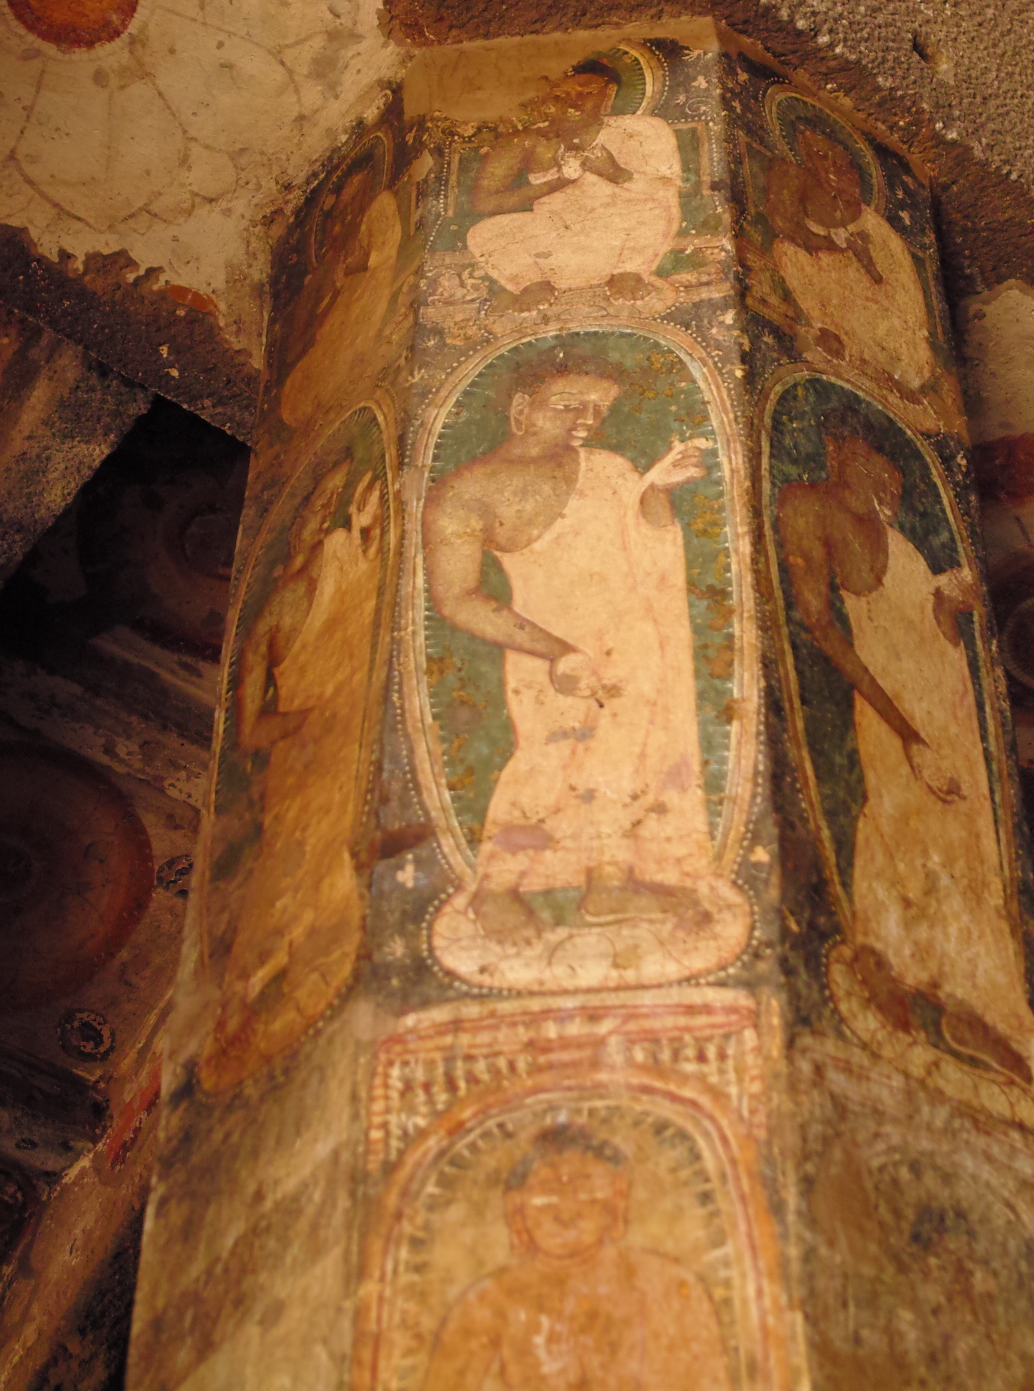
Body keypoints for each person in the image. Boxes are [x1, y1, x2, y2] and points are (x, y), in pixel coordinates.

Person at [775, 430, 1034, 1081]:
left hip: (948, 704)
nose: (889, 485)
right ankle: (897, 969)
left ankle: (963, 1002)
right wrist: (910, 735)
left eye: (892, 477)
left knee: (961, 843)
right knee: (903, 830)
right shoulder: (807, 504)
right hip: (899, 707)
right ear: (840, 452)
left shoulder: (893, 535)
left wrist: (948, 604)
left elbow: (931, 632)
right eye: (877, 469)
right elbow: (820, 624)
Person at [424, 357, 714, 943]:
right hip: (547, 647)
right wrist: (558, 652)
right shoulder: (463, 491)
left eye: (598, 409)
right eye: (568, 405)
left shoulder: (608, 468)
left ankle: (608, 883)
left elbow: (649, 541)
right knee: (547, 761)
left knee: (624, 758)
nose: (586, 419)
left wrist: (655, 491)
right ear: (521, 409)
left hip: (632, 636)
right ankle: (495, 890)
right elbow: (457, 598)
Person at [201, 458, 387, 1087]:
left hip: (350, 751)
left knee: (333, 884)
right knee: (289, 882)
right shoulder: (278, 615)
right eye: (325, 509)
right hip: (307, 769)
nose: (330, 521)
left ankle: (291, 1000)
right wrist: (316, 713)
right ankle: (241, 1014)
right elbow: (250, 732)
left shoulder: (359, 561)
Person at [422, 1124, 730, 1391]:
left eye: (585, 1189)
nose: (566, 1213)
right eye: (547, 1192)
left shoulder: (667, 1287)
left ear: (617, 1198)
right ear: (517, 1208)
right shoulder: (487, 1303)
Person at [463, 71, 684, 307]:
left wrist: (615, 173)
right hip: (557, 243)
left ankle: (630, 272)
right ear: (543, 101)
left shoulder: (642, 129)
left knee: (653, 210)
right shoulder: (530, 139)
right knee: (484, 232)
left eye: (587, 93)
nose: (572, 104)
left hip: (620, 239)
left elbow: (667, 193)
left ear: (608, 95)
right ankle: (532, 282)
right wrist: (561, 180)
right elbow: (483, 203)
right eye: (559, 95)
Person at [762, 128, 943, 409]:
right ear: (806, 158)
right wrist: (825, 329)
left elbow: (908, 301)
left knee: (909, 359)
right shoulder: (791, 238)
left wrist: (868, 265)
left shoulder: (874, 229)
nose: (831, 168)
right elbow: (809, 295)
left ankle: (891, 374)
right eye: (820, 156)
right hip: (838, 334)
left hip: (888, 326)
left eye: (840, 162)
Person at [277, 151, 406, 433]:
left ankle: (323, 404)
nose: (347, 211)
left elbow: (380, 252)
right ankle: (307, 408)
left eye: (353, 199)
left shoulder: (382, 204)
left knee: (346, 344)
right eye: (342, 208)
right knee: (325, 344)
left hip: (372, 286)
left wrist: (347, 266)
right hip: (352, 294)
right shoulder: (349, 231)